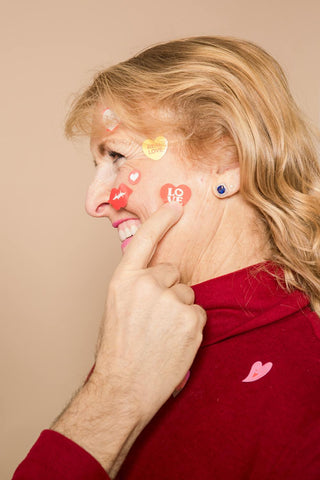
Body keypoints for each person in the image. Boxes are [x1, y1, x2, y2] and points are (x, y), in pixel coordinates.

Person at [13, 36, 320, 479]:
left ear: (229, 160)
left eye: (116, 156)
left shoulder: (305, 394)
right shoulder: (146, 337)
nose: (95, 200)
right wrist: (114, 387)